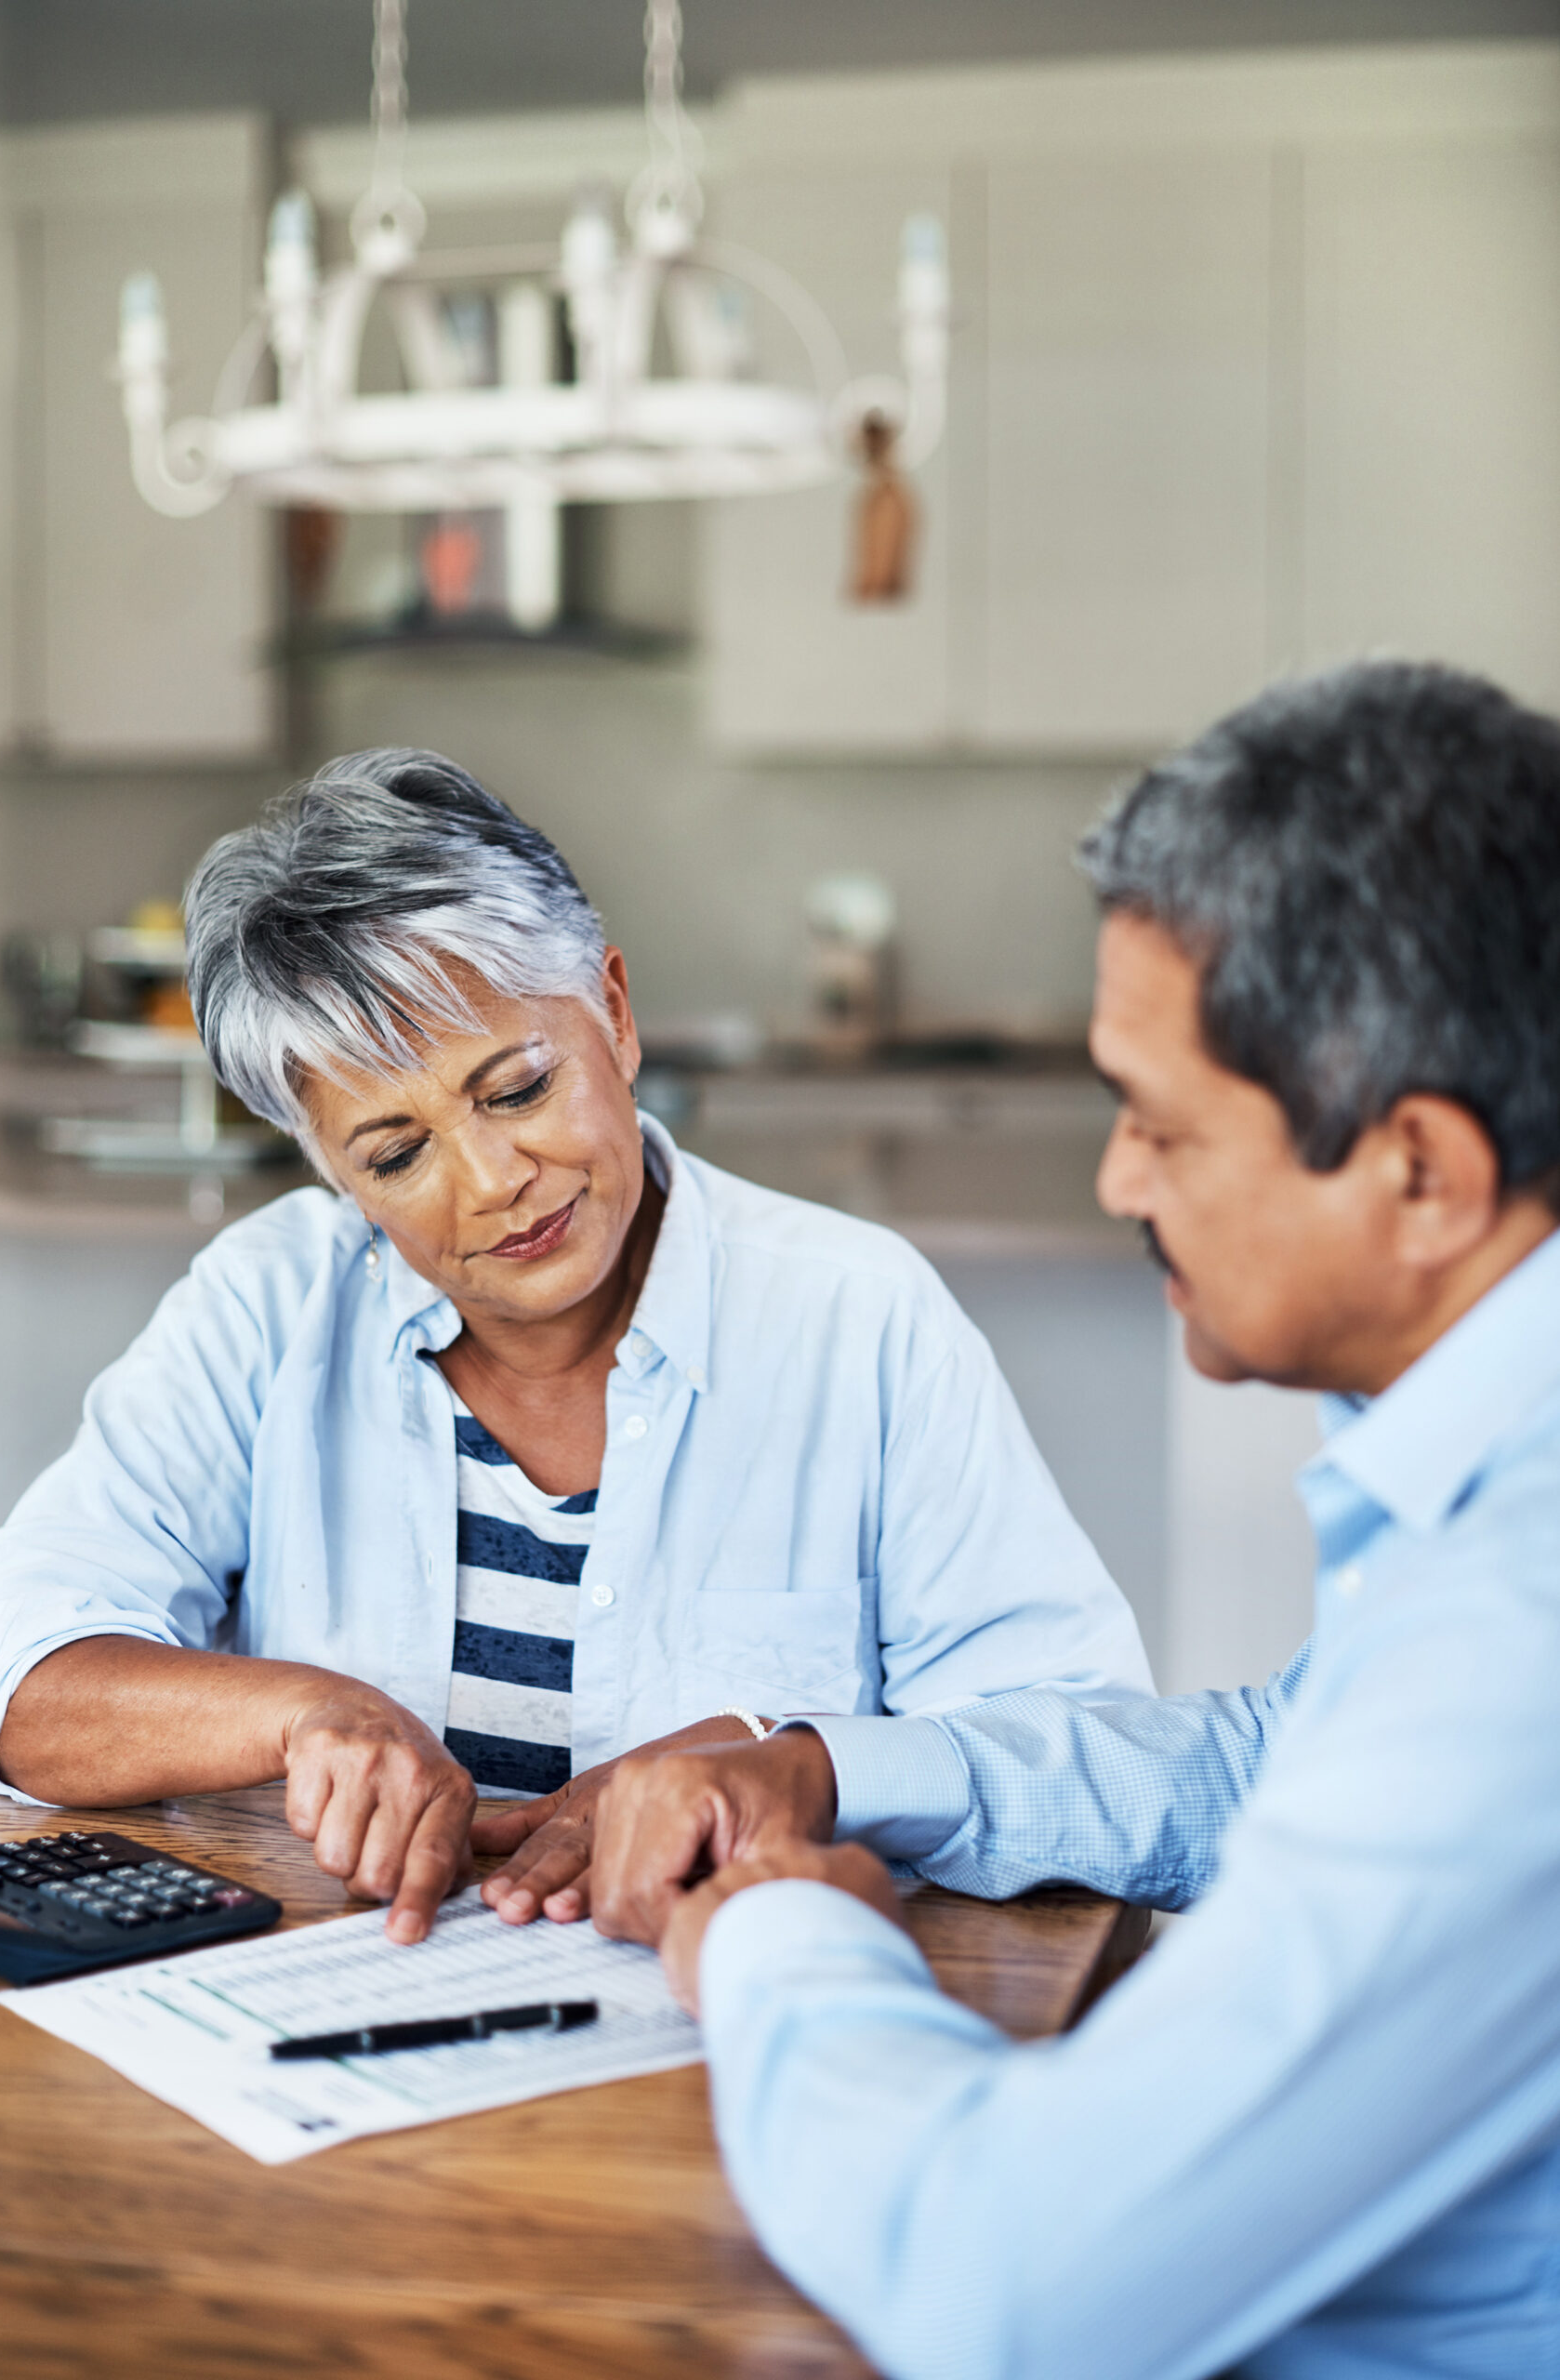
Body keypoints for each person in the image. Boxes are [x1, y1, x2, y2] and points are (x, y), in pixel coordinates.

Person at [589, 660, 1560, 2380]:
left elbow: (1002, 2290)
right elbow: (1279, 1766)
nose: (1117, 1178)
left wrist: (779, 1936)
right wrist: (830, 1767)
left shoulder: (1520, 1631)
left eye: (1162, 1123)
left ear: (1424, 1175)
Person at [0, 747, 1149, 1947]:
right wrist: (305, 1714)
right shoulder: (267, 1311)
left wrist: (798, 1766)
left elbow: (1087, 1759)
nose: (491, 1182)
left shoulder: (857, 1319)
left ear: (613, 1013)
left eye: (515, 1088)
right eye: (396, 1155)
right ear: (334, 1174)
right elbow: (8, 1677)